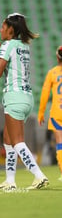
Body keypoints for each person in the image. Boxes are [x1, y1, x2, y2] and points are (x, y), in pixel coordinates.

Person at [0, 13, 49, 191]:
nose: (0, 30)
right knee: (7, 139)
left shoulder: (8, 45)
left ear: (10, 29)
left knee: (17, 142)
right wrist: (1, 49)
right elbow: (13, 62)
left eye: (3, 27)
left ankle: (39, 176)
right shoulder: (23, 45)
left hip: (14, 96)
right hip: (26, 97)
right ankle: (10, 180)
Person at [38, 45, 62, 181]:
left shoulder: (52, 73)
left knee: (60, 143)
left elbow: (45, 94)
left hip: (57, 113)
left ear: (57, 57)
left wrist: (41, 113)